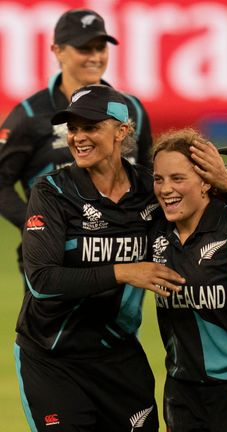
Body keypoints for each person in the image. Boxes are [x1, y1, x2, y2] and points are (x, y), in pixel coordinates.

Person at [14, 84, 179, 431]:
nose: (77, 137)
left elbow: (207, 215)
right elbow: (42, 281)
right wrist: (123, 272)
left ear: (122, 131)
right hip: (52, 357)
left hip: (117, 355)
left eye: (90, 127)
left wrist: (224, 184)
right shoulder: (53, 191)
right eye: (72, 128)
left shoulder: (152, 191)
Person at [0, 8, 153, 287]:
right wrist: (41, 225)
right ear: (57, 51)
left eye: (100, 47)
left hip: (122, 249)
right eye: (84, 48)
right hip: (55, 256)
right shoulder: (29, 115)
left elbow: (149, 174)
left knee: (123, 328)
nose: (95, 57)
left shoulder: (131, 109)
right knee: (52, 328)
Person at [151, 129, 227, 432]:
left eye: (178, 178)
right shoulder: (154, 231)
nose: (166, 189)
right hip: (183, 392)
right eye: (159, 179)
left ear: (206, 181)